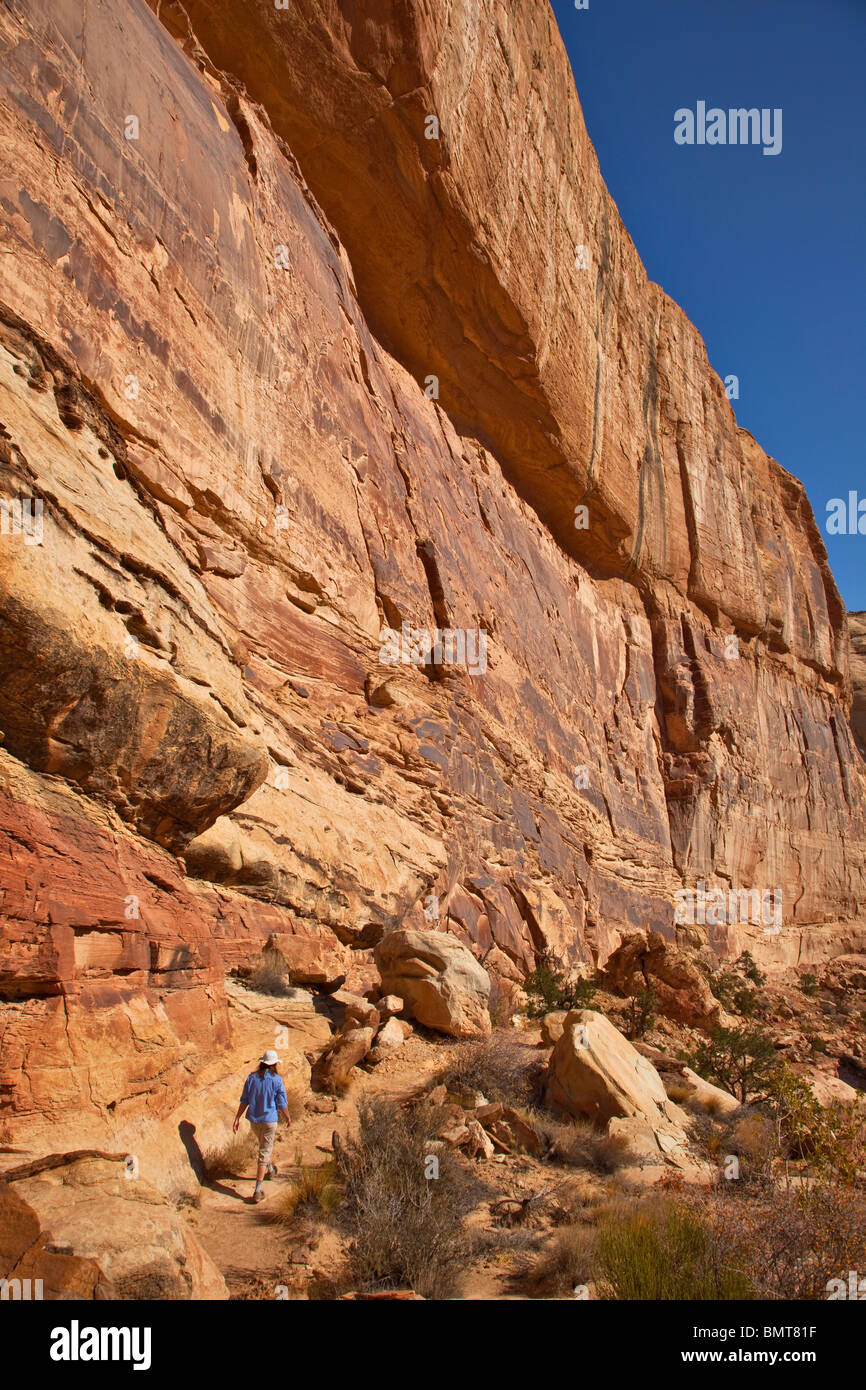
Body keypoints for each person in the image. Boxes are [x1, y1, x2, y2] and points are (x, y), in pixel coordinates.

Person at [233, 1049, 292, 1202]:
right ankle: (257, 1191)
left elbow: (244, 1100)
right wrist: (287, 1116)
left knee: (264, 1148)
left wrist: (237, 1117)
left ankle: (270, 1169)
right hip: (269, 1121)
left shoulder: (251, 1078)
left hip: (254, 1120)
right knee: (264, 1153)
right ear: (274, 1065)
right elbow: (281, 1102)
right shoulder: (276, 1080)